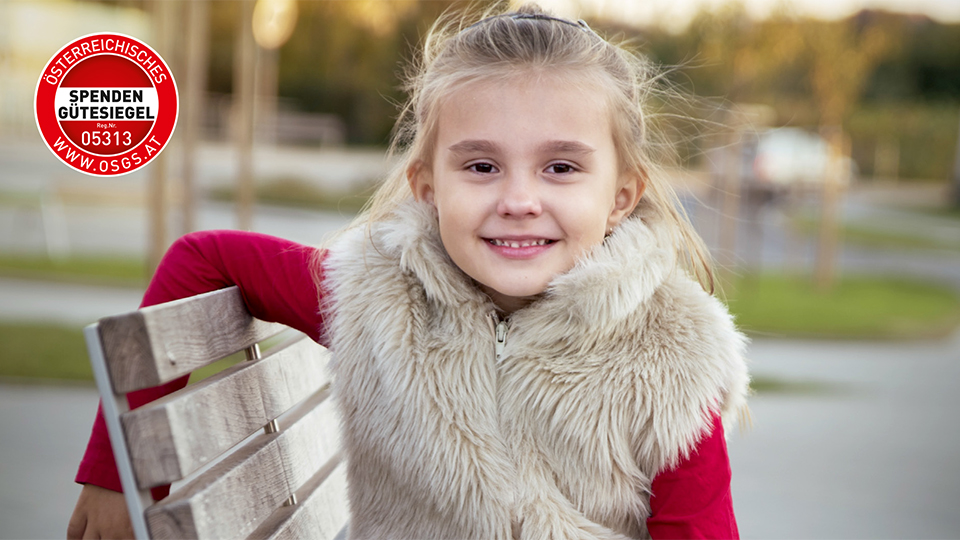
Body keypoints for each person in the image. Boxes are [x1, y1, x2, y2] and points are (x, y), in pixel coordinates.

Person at [68, 4, 749, 539]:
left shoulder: (673, 356)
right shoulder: (375, 296)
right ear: (427, 187)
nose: (518, 200)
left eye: (561, 167)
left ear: (620, 197)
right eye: (481, 165)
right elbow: (203, 259)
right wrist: (118, 475)